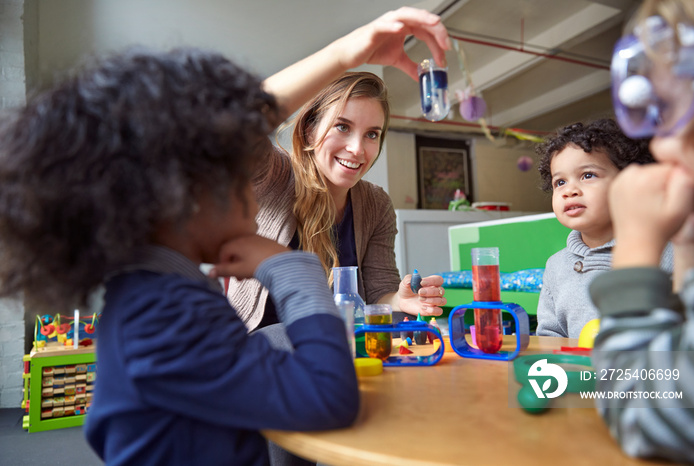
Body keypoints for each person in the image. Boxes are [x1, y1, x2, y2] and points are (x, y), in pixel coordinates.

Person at [0, 8, 451, 465]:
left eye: (372, 134)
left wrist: (397, 299)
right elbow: (330, 395)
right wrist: (292, 267)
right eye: (233, 174)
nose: (253, 197)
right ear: (185, 188)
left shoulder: (159, 296)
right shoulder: (166, 315)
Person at [219, 69, 448, 333]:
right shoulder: (275, 175)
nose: (357, 149)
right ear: (309, 130)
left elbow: (378, 293)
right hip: (261, 350)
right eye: (342, 127)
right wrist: (342, 57)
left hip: (336, 348)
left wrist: (400, 299)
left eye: (372, 134)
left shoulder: (376, 203)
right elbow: (236, 122)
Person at [588, 0, 694, 461]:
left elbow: (646, 409)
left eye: (679, 110)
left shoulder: (641, 242)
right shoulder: (559, 262)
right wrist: (691, 241)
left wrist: (635, 244)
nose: (662, 142)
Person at [534, 119, 673, 339]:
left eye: (588, 175)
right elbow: (550, 336)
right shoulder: (556, 266)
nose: (569, 190)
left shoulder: (663, 254)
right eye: (559, 182)